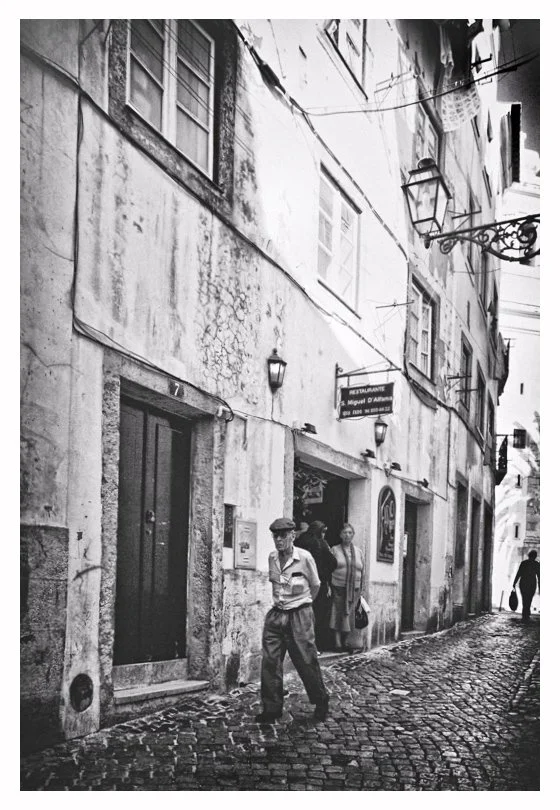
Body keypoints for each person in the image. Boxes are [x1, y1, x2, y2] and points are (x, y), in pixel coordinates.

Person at [256, 517, 330, 724]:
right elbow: (277, 584)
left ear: (292, 536)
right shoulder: (272, 557)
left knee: (306, 660)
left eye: (282, 536)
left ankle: (321, 700)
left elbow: (315, 586)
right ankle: (271, 708)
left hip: (300, 614)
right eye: (275, 536)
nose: (278, 540)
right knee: (270, 662)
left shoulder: (305, 558)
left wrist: (303, 606)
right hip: (276, 613)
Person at [295, 520, 337, 651]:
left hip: (301, 582)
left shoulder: (299, 541)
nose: (324, 534)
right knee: (318, 616)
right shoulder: (321, 543)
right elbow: (333, 563)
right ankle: (315, 646)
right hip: (318, 584)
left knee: (302, 615)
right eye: (323, 531)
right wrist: (325, 575)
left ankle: (301, 645)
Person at [330, 523, 365, 652]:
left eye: (350, 533)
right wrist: (329, 586)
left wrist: (362, 588)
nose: (347, 535)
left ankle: (347, 641)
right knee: (338, 614)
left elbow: (363, 571)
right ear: (340, 535)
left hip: (354, 589)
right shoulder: (334, 550)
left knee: (350, 615)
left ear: (353, 535)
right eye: (345, 532)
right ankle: (337, 642)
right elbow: (329, 569)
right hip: (338, 587)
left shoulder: (358, 551)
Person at [513, 550, 540, 622]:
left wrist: (514, 582)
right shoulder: (536, 564)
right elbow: (539, 576)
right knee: (529, 598)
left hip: (523, 582)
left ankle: (525, 611)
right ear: (535, 556)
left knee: (524, 597)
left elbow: (519, 573)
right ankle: (526, 611)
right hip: (532, 583)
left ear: (529, 555)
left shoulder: (524, 563)